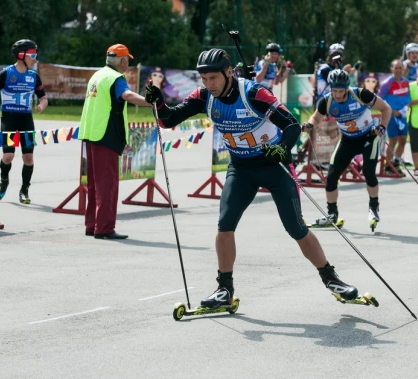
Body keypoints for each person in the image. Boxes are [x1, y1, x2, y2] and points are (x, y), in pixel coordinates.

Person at [145, 48, 360, 308]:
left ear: (227, 72)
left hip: (274, 165)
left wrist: (282, 149)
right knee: (225, 224)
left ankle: (331, 278)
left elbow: (291, 124)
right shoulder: (205, 96)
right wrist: (157, 102)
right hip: (241, 168)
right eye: (204, 79)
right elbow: (168, 120)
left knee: (296, 228)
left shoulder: (253, 94)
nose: (208, 84)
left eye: (213, 78)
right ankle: (224, 289)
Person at [78, 44, 152, 240]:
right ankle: (104, 228)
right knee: (107, 184)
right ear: (122, 60)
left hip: (91, 133)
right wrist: (151, 102)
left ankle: (92, 225)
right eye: (127, 59)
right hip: (107, 134)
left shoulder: (97, 75)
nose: (127, 63)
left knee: (94, 183)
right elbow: (127, 95)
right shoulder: (115, 78)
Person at [303, 70, 391, 229]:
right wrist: (310, 125)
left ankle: (373, 206)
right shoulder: (327, 101)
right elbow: (316, 117)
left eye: (340, 91)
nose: (337, 94)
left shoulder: (361, 94)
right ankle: (332, 214)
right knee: (331, 175)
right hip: (348, 140)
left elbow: (386, 109)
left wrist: (382, 127)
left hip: (368, 138)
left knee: (368, 171)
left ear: (346, 88)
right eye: (334, 90)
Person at [0, 39, 48, 204]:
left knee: (28, 158)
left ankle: (24, 190)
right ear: (22, 55)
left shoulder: (33, 76)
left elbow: (44, 98)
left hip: (26, 120)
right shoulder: (6, 73)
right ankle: (4, 181)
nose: (35, 58)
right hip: (9, 119)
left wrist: (42, 105)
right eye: (33, 55)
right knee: (8, 156)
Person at [378, 59, 411, 176]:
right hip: (391, 115)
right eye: (395, 68)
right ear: (391, 69)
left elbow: (408, 97)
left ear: (403, 69)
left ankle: (395, 163)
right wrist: (391, 110)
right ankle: (388, 165)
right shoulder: (387, 83)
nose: (398, 70)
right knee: (393, 140)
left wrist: (404, 108)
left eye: (400, 68)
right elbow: (379, 100)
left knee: (403, 140)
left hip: (402, 115)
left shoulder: (406, 82)